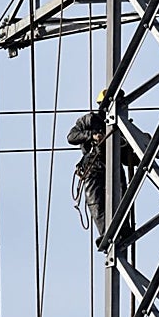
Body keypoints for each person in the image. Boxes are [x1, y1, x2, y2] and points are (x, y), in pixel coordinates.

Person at [69, 94, 111, 248]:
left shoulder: (121, 124)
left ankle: (122, 228)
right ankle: (106, 232)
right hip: (93, 167)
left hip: (111, 165)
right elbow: (71, 136)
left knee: (121, 194)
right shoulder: (89, 120)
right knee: (95, 202)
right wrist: (92, 136)